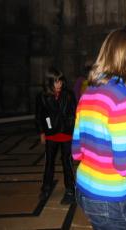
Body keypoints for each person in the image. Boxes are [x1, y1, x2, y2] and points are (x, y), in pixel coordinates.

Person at [72, 29, 126, 230]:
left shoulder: (89, 92)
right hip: (113, 198)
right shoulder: (121, 97)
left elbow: (76, 151)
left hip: (85, 190)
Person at [35, 67, 76, 205]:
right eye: (56, 82)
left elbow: (73, 113)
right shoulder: (42, 96)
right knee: (49, 162)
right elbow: (39, 115)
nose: (59, 84)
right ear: (49, 82)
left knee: (67, 162)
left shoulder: (68, 95)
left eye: (60, 81)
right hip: (51, 134)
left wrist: (71, 127)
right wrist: (42, 132)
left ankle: (70, 189)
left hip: (66, 133)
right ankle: (46, 188)